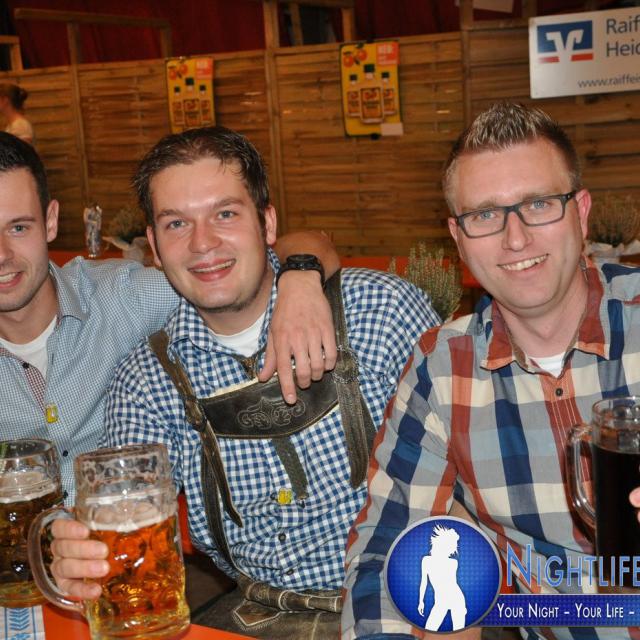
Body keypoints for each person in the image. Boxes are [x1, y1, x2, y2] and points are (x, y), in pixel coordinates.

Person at [49, 125, 440, 639]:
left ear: (268, 222)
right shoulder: (144, 380)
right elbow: (120, 518)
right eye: (176, 223)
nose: (203, 243)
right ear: (154, 247)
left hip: (411, 602)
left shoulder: (382, 311)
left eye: (226, 214)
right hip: (258, 615)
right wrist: (75, 551)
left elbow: (469, 478)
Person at [342, 101, 640, 640]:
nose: (516, 239)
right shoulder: (442, 369)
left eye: (539, 204)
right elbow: (386, 553)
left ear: (581, 213)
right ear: (457, 238)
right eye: (484, 215)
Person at [0, 131, 340, 503]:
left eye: (18, 228)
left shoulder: (123, 299)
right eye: (178, 223)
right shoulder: (139, 377)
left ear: (50, 221)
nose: (2, 254)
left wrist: (300, 279)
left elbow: (255, 257)